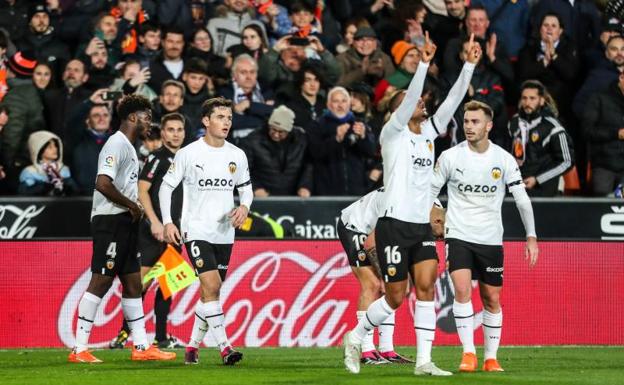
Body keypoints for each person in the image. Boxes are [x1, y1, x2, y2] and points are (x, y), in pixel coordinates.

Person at [343, 32, 479, 376]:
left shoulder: (429, 134)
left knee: (426, 289)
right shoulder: (392, 134)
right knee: (396, 296)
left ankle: (424, 362)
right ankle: (356, 336)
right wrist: (423, 64)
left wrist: (469, 67)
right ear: (396, 111)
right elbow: (411, 99)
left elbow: (451, 103)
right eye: (411, 101)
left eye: (419, 100)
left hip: (419, 227)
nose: (421, 102)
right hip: (392, 224)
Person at [430, 100, 539, 373]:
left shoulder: (502, 159)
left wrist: (531, 236)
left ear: (488, 126)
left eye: (475, 122)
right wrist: (437, 212)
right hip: (458, 234)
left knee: (491, 298)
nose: (469, 126)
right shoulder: (450, 157)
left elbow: (522, 199)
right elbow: (428, 191)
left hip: (490, 237)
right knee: (462, 290)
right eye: (466, 121)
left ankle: (491, 357)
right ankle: (468, 354)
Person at [68, 94, 176, 363]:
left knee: (133, 282)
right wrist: (134, 205)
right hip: (111, 220)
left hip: (125, 221)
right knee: (101, 280)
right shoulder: (115, 144)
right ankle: (79, 348)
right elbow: (102, 183)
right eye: (146, 117)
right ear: (131, 117)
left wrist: (133, 209)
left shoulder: (129, 146)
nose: (149, 122)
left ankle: (141, 346)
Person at [160, 97, 253, 365]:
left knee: (211, 292)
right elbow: (166, 187)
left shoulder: (237, 155)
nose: (226, 122)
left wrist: (244, 207)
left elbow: (245, 188)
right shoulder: (189, 153)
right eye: (221, 117)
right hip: (196, 229)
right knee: (211, 285)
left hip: (224, 232)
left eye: (229, 118)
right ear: (206, 121)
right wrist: (168, 221)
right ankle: (225, 347)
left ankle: (191, 347)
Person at [110, 112, 186, 350]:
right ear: (162, 133)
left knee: (167, 284)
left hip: (176, 232)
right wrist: (155, 222)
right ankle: (124, 334)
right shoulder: (157, 158)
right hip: (151, 232)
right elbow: (142, 192)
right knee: (139, 284)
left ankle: (161, 337)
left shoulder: (187, 158)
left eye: (179, 129)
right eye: (170, 129)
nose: (175, 134)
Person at [509, 80, 574, 197]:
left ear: (542, 100)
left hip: (545, 188)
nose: (527, 102)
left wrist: (538, 179)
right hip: (518, 185)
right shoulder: (513, 123)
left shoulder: (553, 127)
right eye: (524, 98)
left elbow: (567, 161)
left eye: (532, 98)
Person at [240, 105, 312, 197]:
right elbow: (243, 169)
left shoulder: (301, 140)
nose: (276, 135)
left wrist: (305, 186)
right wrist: (255, 187)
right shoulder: (252, 140)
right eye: (273, 129)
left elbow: (308, 166)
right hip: (262, 197)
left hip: (294, 197)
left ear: (289, 130)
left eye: (281, 132)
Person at [582, 71, 624, 196]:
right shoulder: (599, 98)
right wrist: (616, 134)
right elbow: (586, 131)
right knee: (601, 204)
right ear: (621, 78)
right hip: (604, 164)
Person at [18, 130, 77, 196]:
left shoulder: (63, 169)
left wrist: (67, 184)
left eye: (55, 146)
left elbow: (74, 193)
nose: (55, 149)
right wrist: (44, 187)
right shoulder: (30, 172)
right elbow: (24, 193)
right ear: (39, 150)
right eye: (50, 147)